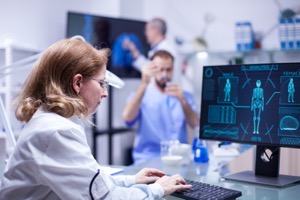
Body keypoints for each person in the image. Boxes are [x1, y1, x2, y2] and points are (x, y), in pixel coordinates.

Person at [0, 38, 192, 199]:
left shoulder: (54, 121)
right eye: (101, 83)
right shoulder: (57, 130)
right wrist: (158, 189)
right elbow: (103, 198)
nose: (105, 93)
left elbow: (87, 181)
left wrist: (130, 180)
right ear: (77, 82)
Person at [122, 50, 199, 164]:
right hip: (147, 159)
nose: (165, 74)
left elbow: (195, 124)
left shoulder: (183, 96)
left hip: (178, 160)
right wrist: (144, 83)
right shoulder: (142, 94)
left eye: (168, 70)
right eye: (160, 70)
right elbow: (127, 118)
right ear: (153, 69)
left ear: (173, 69)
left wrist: (182, 100)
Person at [123, 17, 180, 82]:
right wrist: (134, 51)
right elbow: (149, 67)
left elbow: (153, 73)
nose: (145, 33)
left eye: (147, 30)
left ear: (155, 31)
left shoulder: (166, 51)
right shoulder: (160, 48)